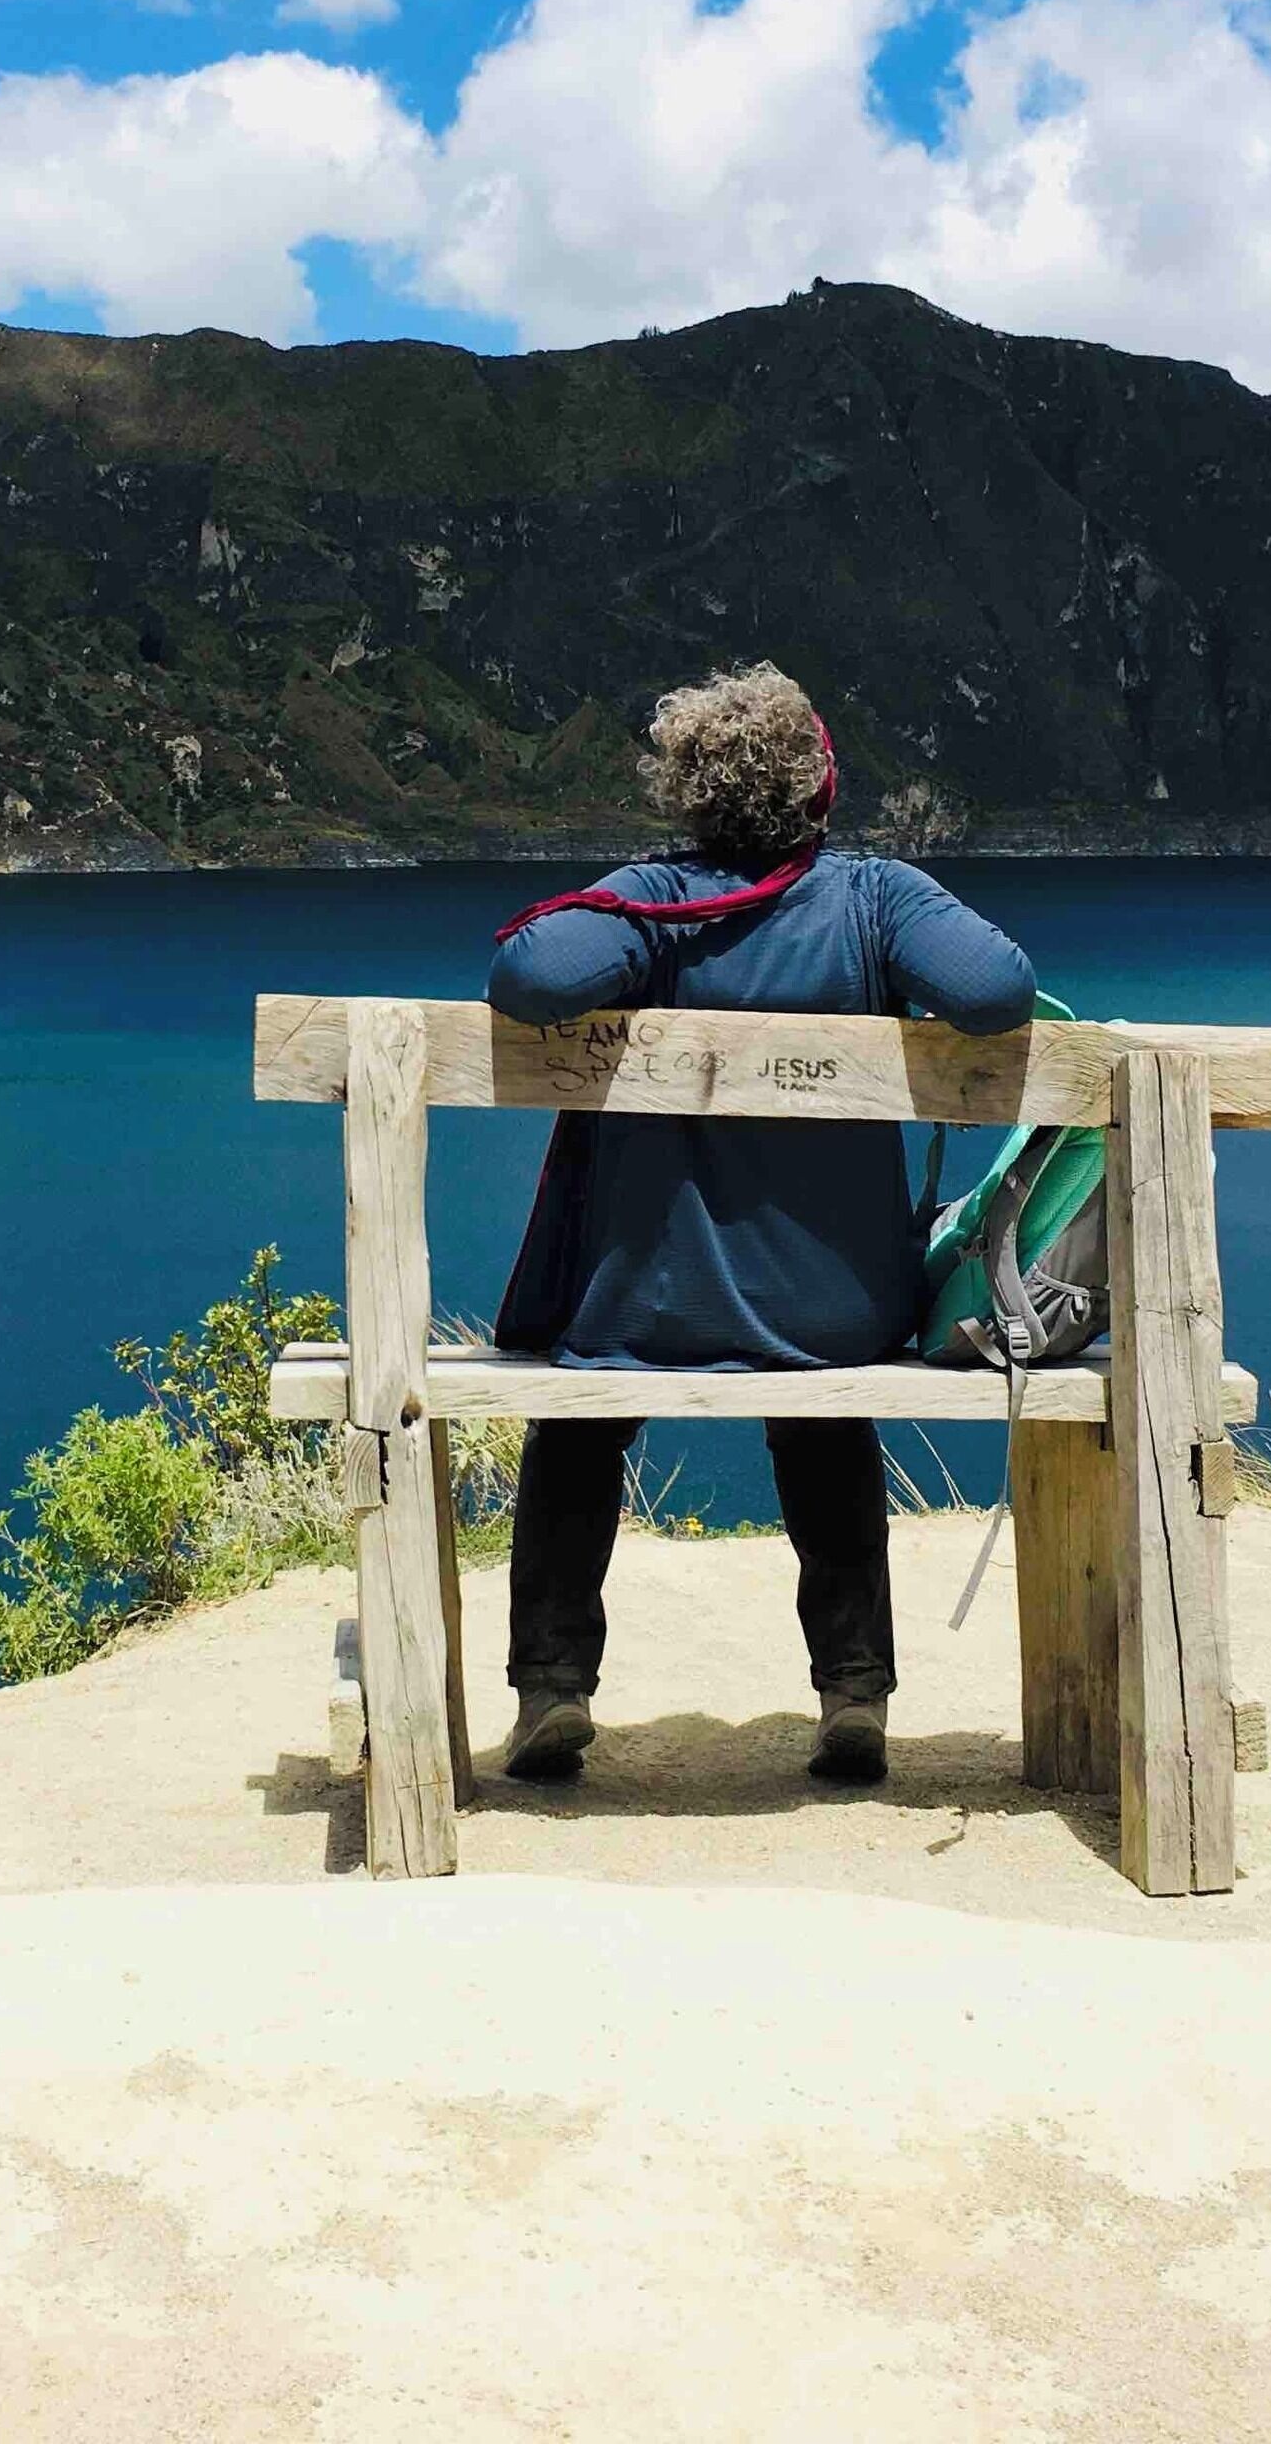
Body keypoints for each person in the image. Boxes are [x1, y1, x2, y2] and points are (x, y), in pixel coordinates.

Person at [483, 663, 1036, 1789]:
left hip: (642, 1311)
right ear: (818, 790)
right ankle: (854, 1692)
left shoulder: (654, 907)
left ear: (685, 791)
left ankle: (552, 1688)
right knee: (823, 1417)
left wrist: (637, 909)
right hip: (834, 1315)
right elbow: (993, 989)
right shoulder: (877, 900)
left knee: (576, 1425)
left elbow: (529, 972)